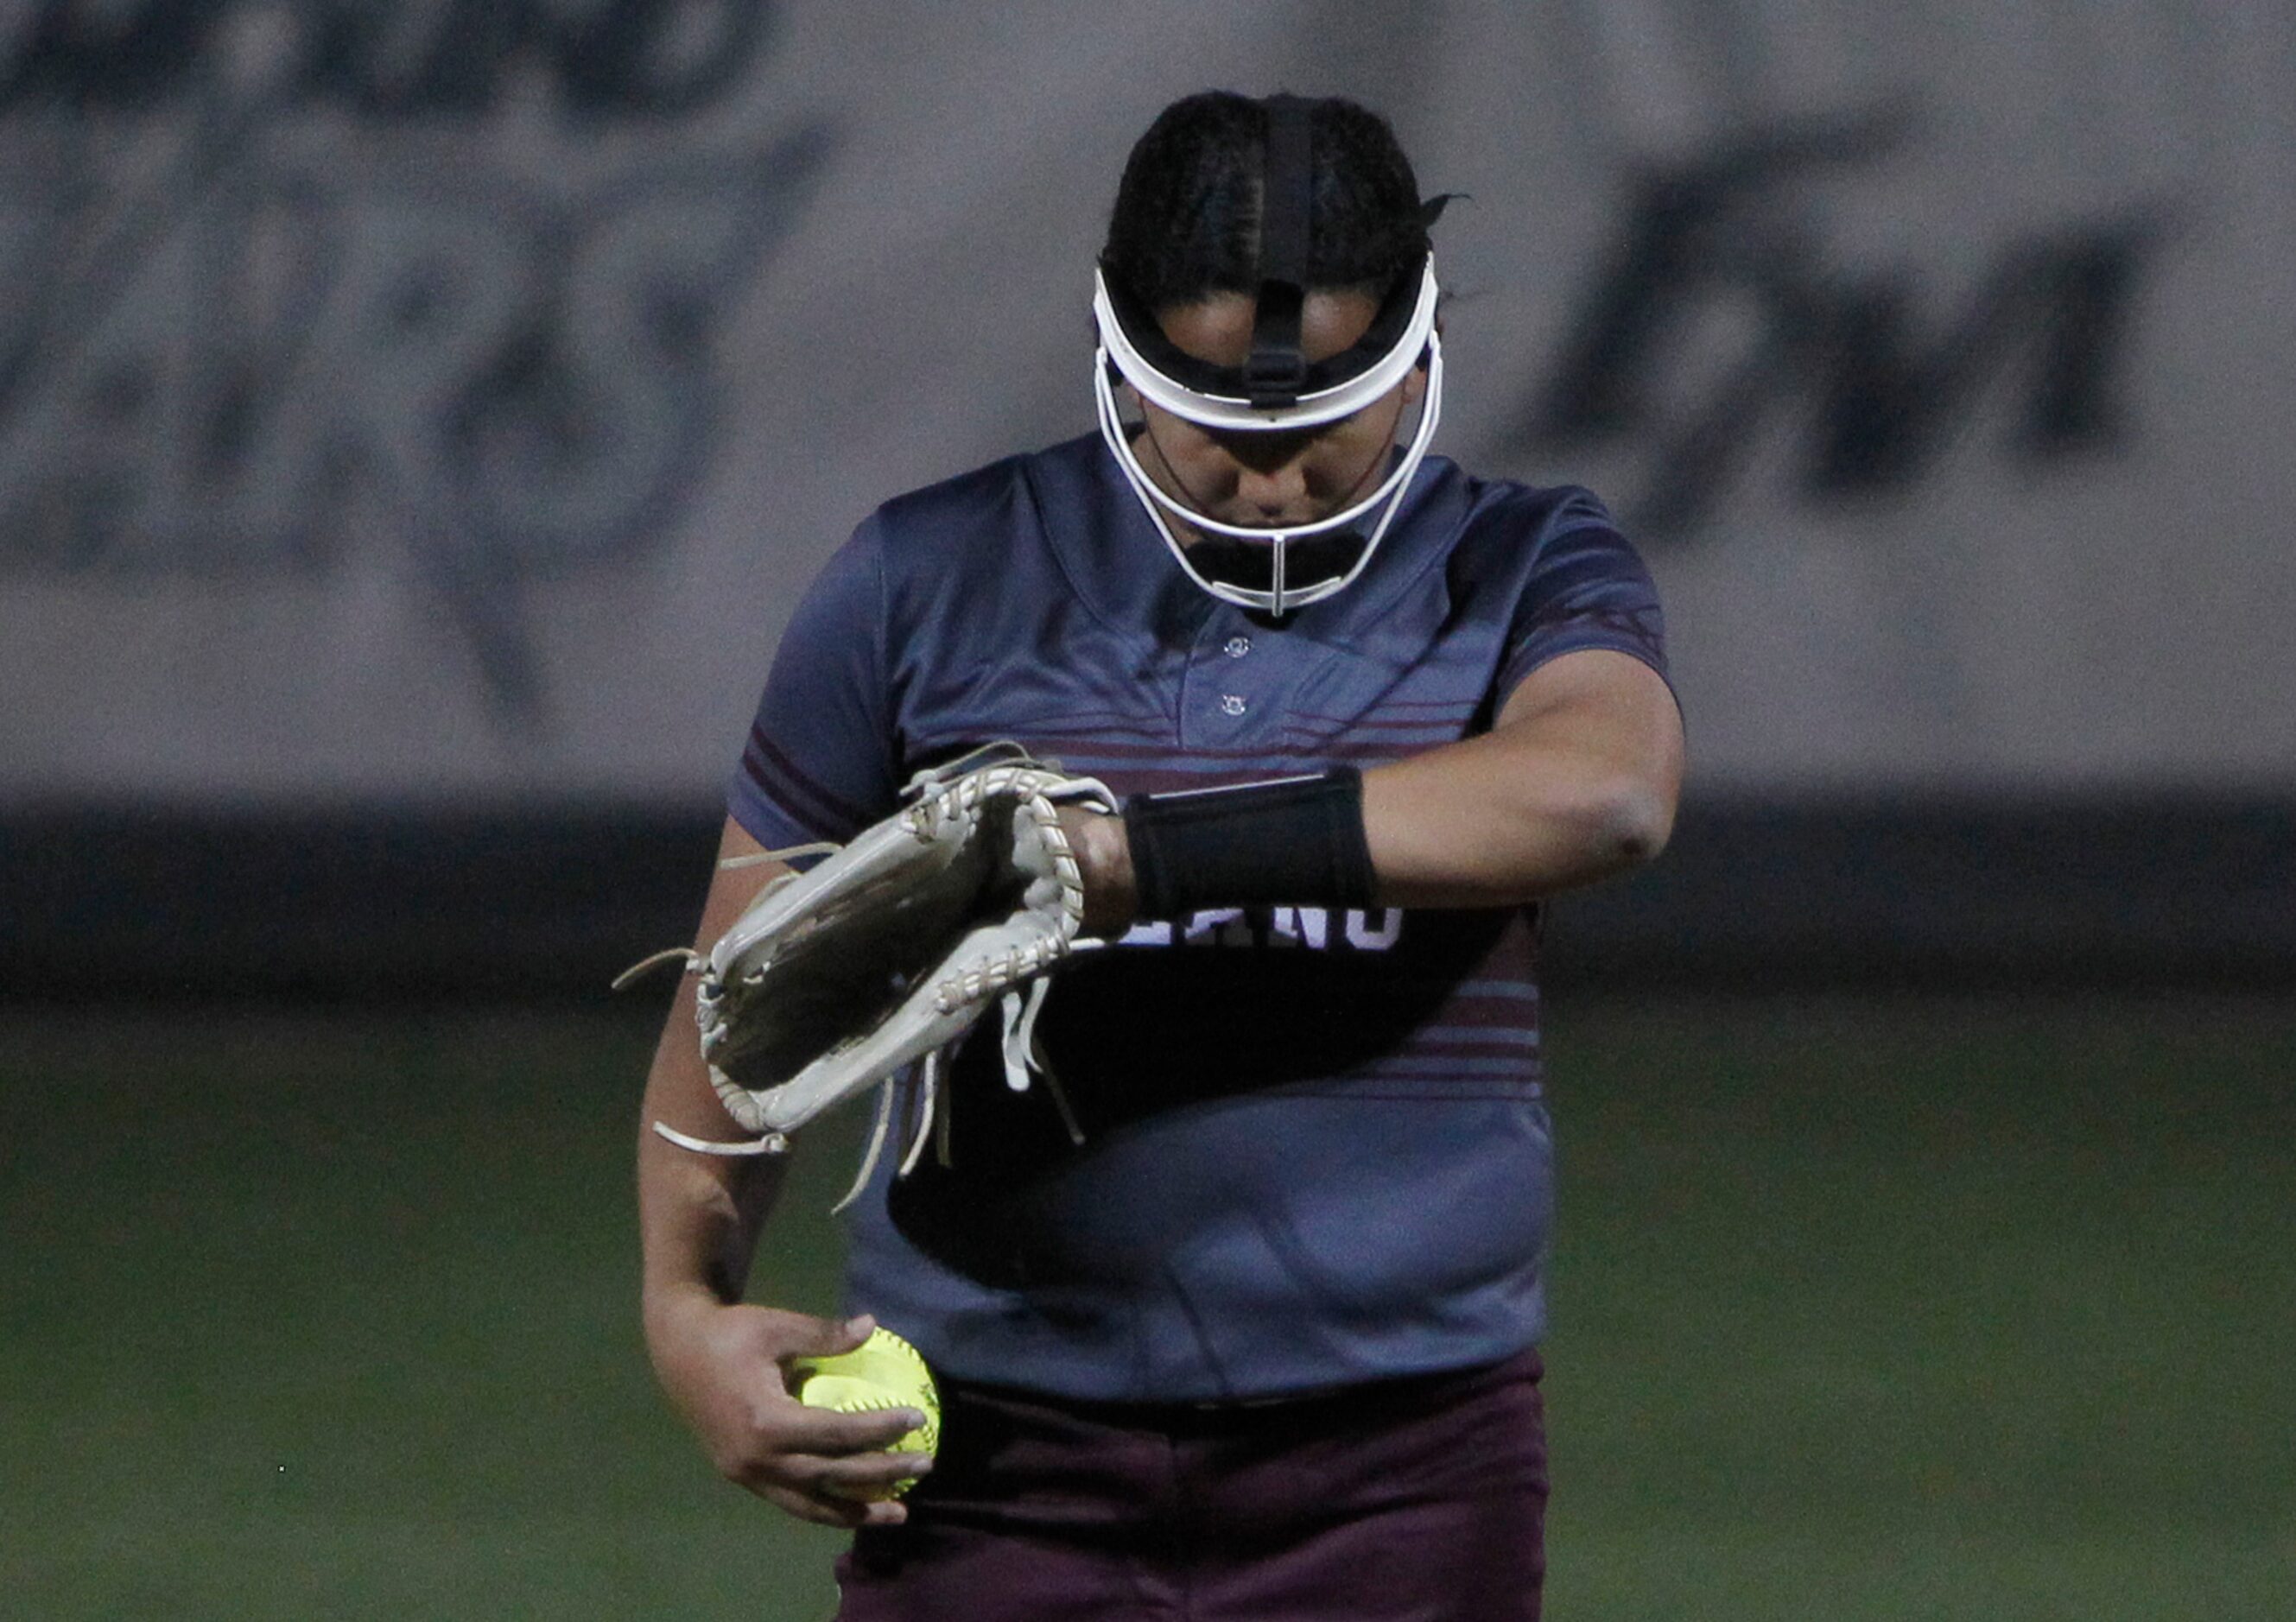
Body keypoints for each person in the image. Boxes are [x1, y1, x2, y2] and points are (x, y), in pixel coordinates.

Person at [637, 90, 1684, 1620]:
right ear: (1118, 356)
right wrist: (683, 1310)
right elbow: (738, 995)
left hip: (1400, 1461)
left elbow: (1603, 793)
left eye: (1323, 425)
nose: (1272, 481)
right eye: (1222, 431)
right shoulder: (922, 578)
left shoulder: (1520, 563)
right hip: (993, 1455)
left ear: (1418, 348)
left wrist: (1131, 863)